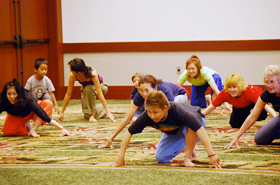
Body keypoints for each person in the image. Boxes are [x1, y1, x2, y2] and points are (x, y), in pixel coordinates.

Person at [113, 91, 221, 169]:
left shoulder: (181, 112)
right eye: (149, 112)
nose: (152, 116)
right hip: (172, 130)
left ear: (165, 108)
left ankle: (188, 155)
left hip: (196, 123)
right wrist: (121, 157)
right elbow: (129, 132)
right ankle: (189, 147)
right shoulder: (148, 115)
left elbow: (200, 129)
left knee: (190, 127)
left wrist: (211, 154)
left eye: (155, 112)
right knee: (161, 158)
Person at [99, 74, 188, 148]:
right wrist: (111, 138)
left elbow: (171, 113)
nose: (144, 94)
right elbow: (127, 118)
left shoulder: (165, 92)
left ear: (155, 88)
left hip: (180, 95)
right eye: (141, 90)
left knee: (170, 109)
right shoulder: (139, 95)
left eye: (147, 90)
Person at [226, 65, 280, 149]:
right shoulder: (267, 93)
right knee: (260, 139)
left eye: (272, 82)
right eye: (266, 82)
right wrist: (236, 137)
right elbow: (252, 116)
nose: (269, 85)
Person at [0, 79, 71, 138]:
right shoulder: (3, 100)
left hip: (33, 112)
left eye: (14, 94)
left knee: (48, 103)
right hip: (17, 115)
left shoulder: (27, 98)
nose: (12, 97)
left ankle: (33, 130)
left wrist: (62, 128)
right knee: (8, 132)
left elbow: (43, 115)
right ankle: (25, 125)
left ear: (19, 93)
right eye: (9, 94)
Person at [203, 74, 277, 128]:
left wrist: (276, 118)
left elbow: (265, 106)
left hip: (255, 102)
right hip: (240, 105)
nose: (232, 90)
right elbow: (212, 106)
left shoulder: (249, 91)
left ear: (240, 86)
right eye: (229, 87)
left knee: (262, 116)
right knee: (234, 124)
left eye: (235, 87)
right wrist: (200, 117)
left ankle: (252, 116)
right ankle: (248, 116)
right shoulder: (225, 93)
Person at [57, 58, 115, 122]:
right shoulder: (73, 76)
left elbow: (100, 94)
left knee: (88, 88)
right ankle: (101, 109)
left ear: (78, 72)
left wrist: (108, 112)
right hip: (86, 90)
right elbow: (68, 94)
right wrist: (62, 112)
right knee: (86, 115)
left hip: (102, 87)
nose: (70, 71)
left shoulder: (92, 74)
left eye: (72, 70)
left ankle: (92, 115)